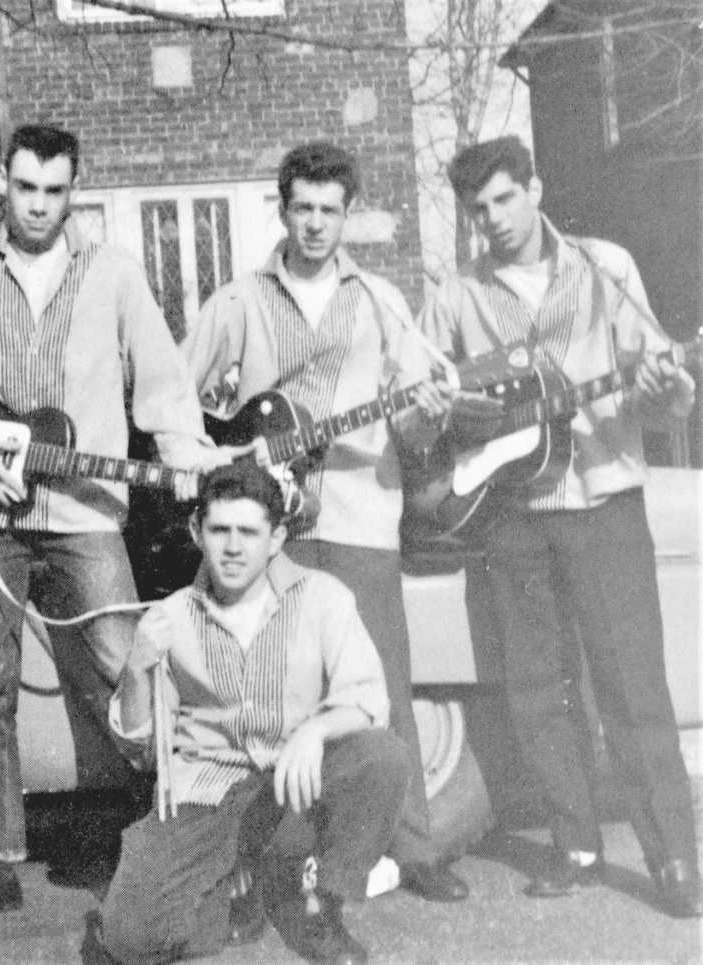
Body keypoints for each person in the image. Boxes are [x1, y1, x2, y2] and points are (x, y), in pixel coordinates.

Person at [0, 124, 229, 927]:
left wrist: (193, 460)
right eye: (24, 188)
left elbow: (164, 391)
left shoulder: (115, 274)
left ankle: (163, 839)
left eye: (54, 190)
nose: (37, 205)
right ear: (4, 185)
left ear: (76, 190)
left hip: (84, 512)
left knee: (127, 665)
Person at [418, 135, 703, 917]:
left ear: (535, 189)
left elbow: (667, 392)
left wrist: (658, 381)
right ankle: (574, 843)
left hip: (606, 500)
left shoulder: (605, 267)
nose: (494, 220)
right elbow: (420, 407)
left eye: (506, 199)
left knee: (633, 685)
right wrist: (446, 415)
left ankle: (675, 856)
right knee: (540, 690)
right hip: (511, 513)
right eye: (479, 210)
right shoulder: (455, 295)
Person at [181, 141, 470, 902]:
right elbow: (179, 404)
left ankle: (415, 848)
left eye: (329, 210)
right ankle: (281, 853)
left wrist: (427, 417)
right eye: (302, 208)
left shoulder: (380, 301)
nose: (315, 224)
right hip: (274, 527)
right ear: (283, 210)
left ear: (348, 214)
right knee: (278, 691)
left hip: (361, 514)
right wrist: (227, 450)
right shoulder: (238, 300)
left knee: (383, 683)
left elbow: (414, 425)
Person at [95, 461, 409, 965]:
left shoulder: (322, 597)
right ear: (198, 532)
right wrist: (136, 668)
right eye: (220, 530)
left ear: (277, 537)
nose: (234, 547)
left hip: (289, 791)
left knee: (382, 757)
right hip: (207, 798)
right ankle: (243, 884)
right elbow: (140, 752)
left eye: (249, 532)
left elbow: (370, 701)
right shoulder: (172, 617)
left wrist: (315, 731)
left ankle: (315, 903)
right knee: (131, 940)